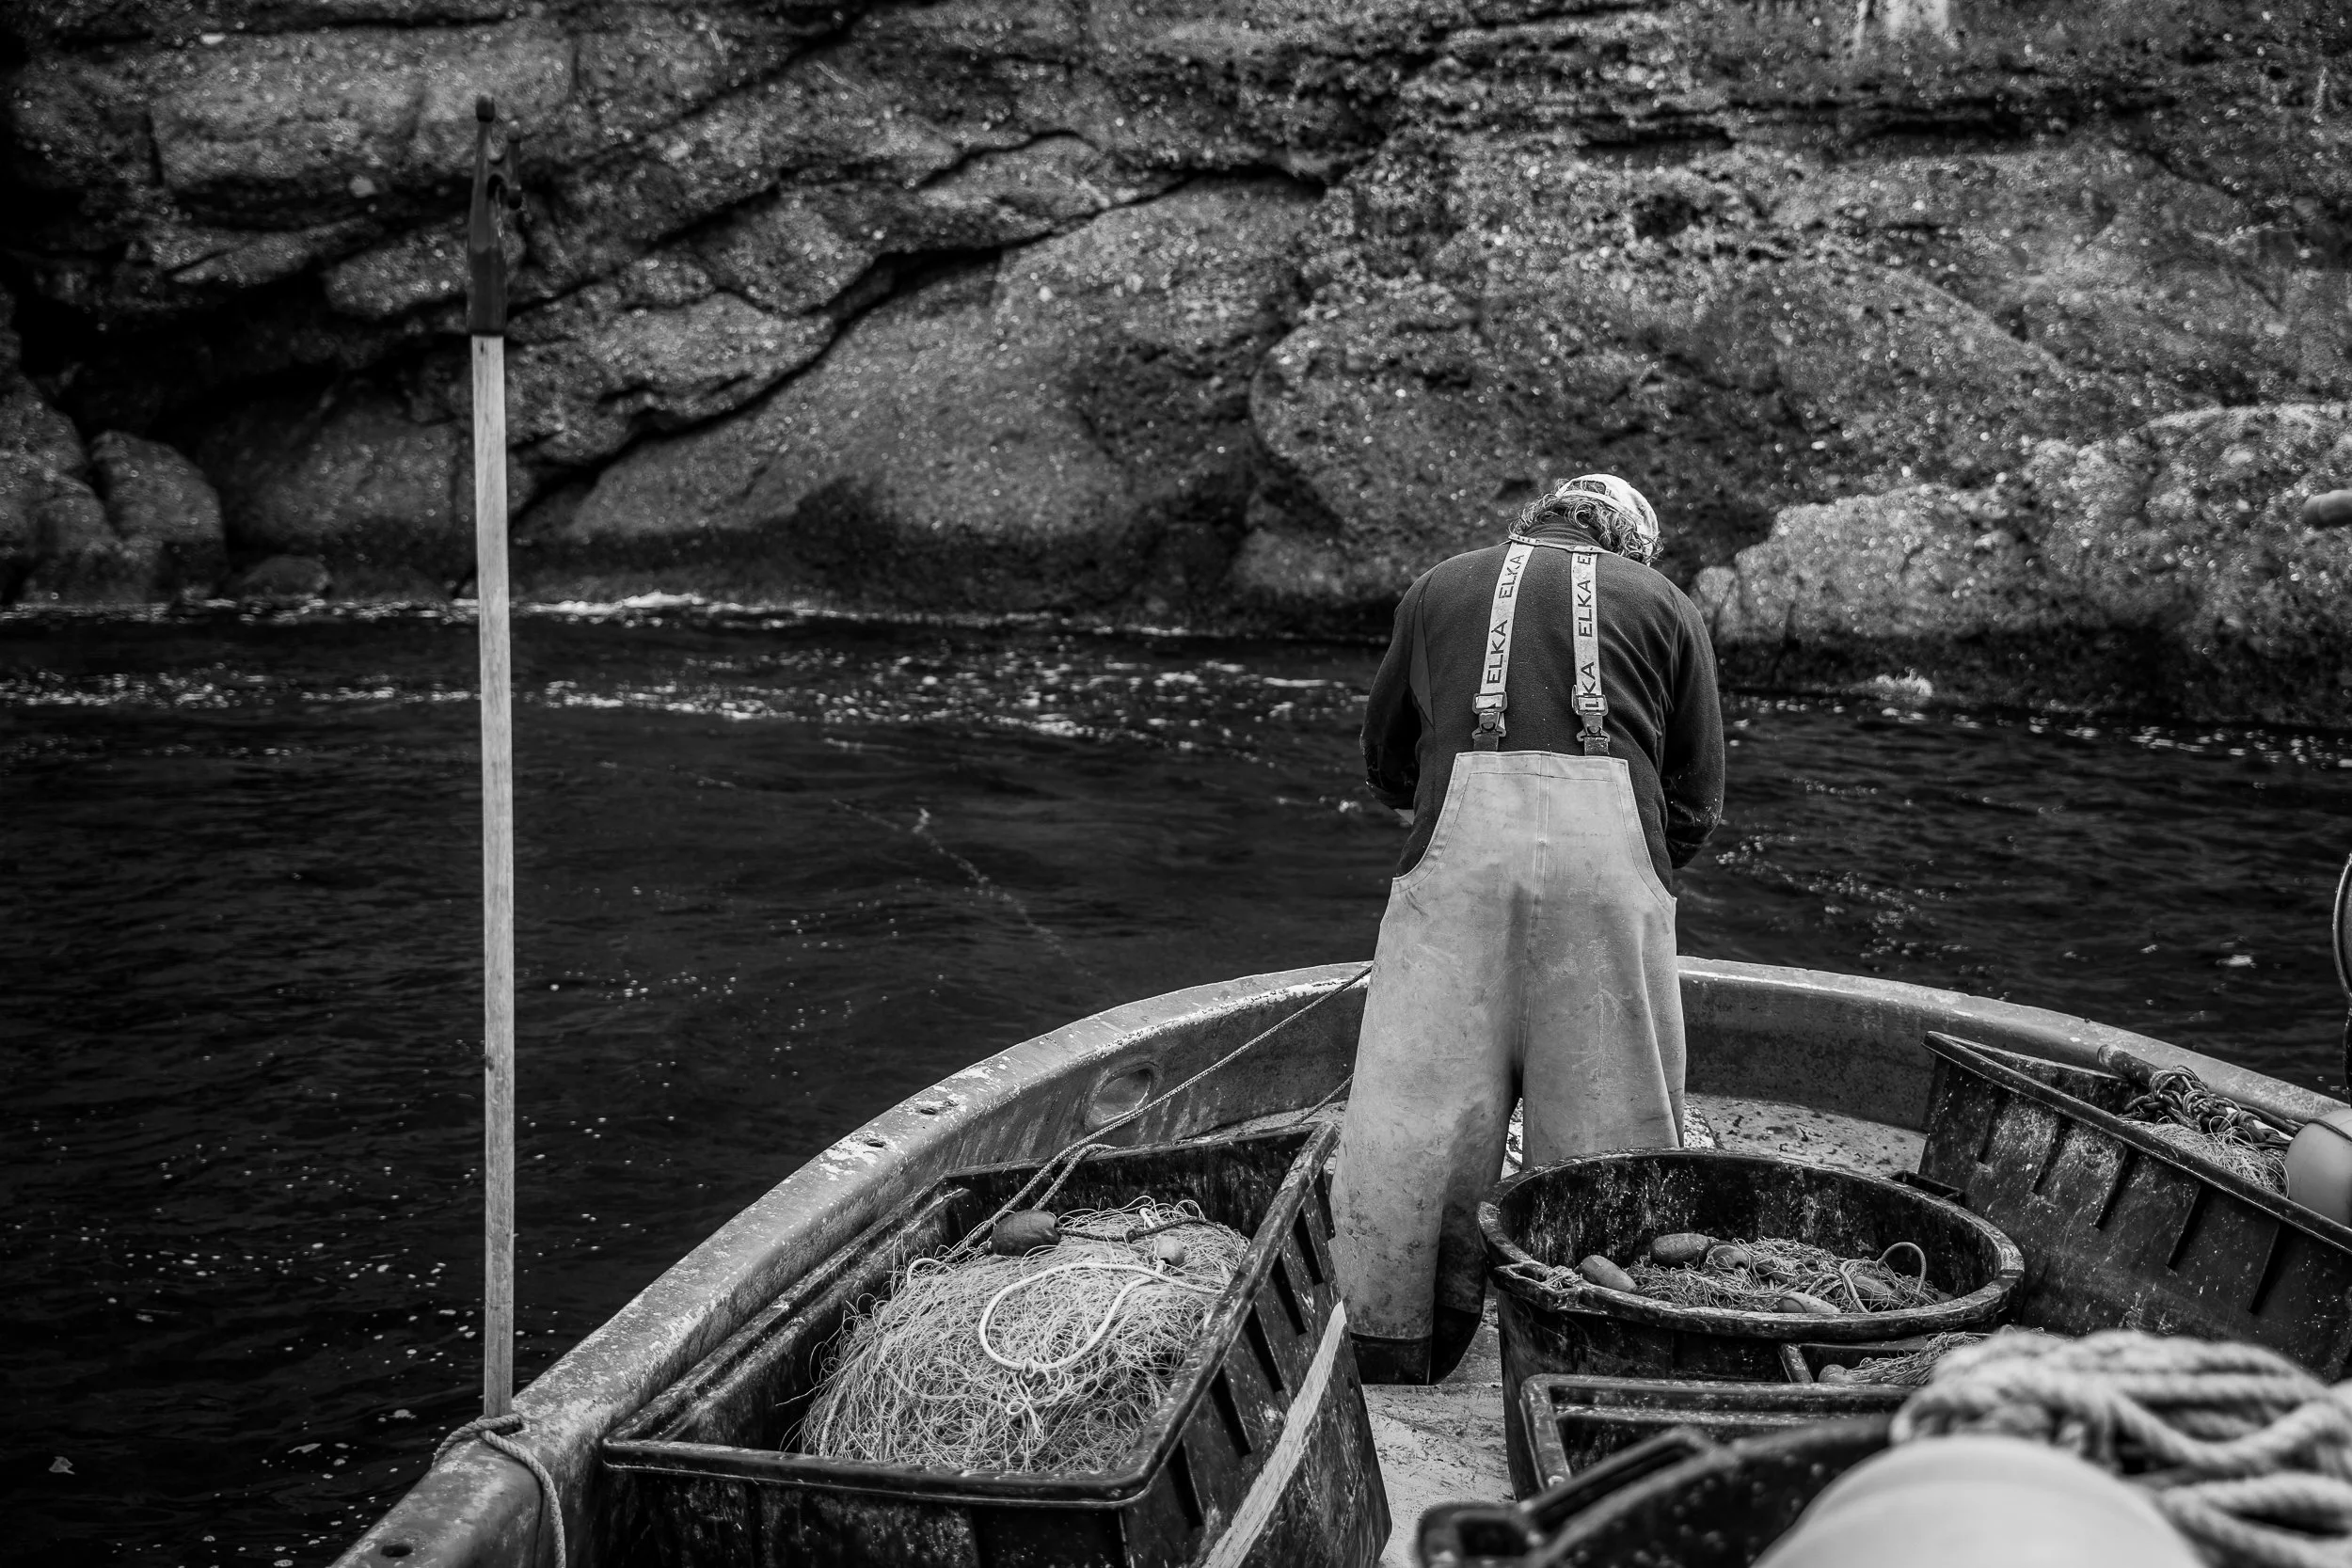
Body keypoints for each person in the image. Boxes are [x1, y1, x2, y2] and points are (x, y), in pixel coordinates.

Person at [1331, 473, 1726, 1384]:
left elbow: (1385, 757)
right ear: (1629, 544)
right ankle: (1599, 1344)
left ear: (1532, 522)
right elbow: (1694, 795)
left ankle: (1393, 1341)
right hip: (1609, 876)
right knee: (1612, 1114)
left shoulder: (1437, 585)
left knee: (1414, 1114)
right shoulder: (1665, 603)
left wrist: (1432, 804)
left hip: (1455, 873)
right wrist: (1640, 870)